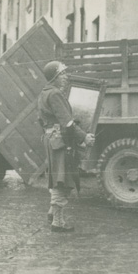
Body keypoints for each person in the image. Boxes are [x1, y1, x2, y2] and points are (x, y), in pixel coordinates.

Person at [37, 61, 95, 233]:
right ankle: (58, 221)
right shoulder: (55, 94)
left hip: (52, 139)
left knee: (58, 177)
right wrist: (84, 137)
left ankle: (52, 212)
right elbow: (67, 123)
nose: (65, 77)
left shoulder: (44, 92)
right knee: (62, 180)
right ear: (54, 77)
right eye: (62, 74)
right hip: (60, 141)